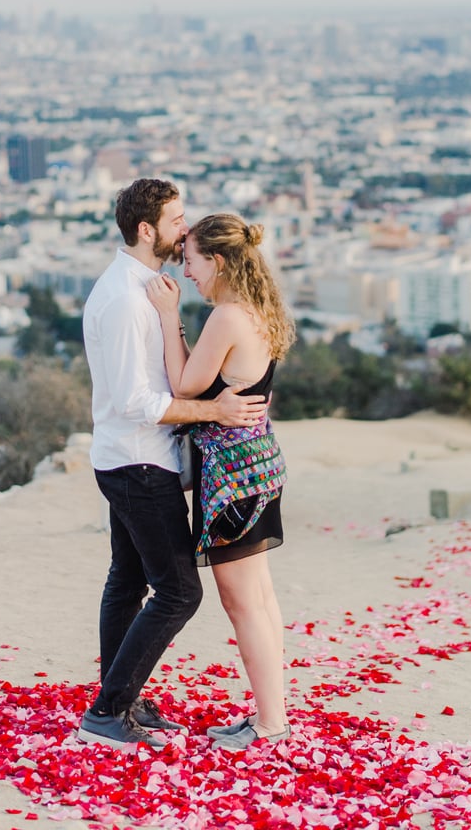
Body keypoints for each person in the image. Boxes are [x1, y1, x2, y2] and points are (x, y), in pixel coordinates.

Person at [79, 180, 269, 750]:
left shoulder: (145, 289)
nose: (184, 230)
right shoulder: (126, 299)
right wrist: (216, 408)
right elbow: (139, 401)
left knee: (128, 582)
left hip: (132, 458)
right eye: (176, 220)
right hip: (138, 463)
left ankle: (122, 700)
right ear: (146, 230)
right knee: (180, 592)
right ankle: (109, 712)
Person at [146, 212, 296, 751]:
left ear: (220, 260)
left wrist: (170, 320)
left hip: (232, 476)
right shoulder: (260, 308)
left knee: (243, 602)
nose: (186, 272)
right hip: (257, 464)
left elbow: (185, 384)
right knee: (260, 597)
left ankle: (269, 725)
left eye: (191, 261)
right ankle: (270, 716)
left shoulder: (228, 316)